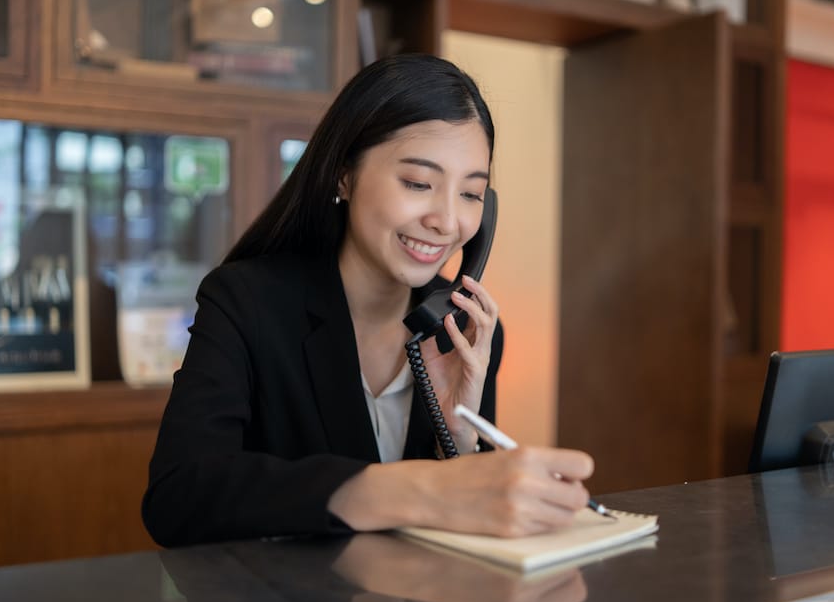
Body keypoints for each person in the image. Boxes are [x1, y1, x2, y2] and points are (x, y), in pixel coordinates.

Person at [141, 54, 595, 547]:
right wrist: (402, 488)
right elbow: (177, 498)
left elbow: (463, 528)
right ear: (344, 175)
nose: (447, 221)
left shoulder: (465, 330)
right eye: (419, 183)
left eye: (471, 194)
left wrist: (457, 441)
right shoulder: (246, 302)